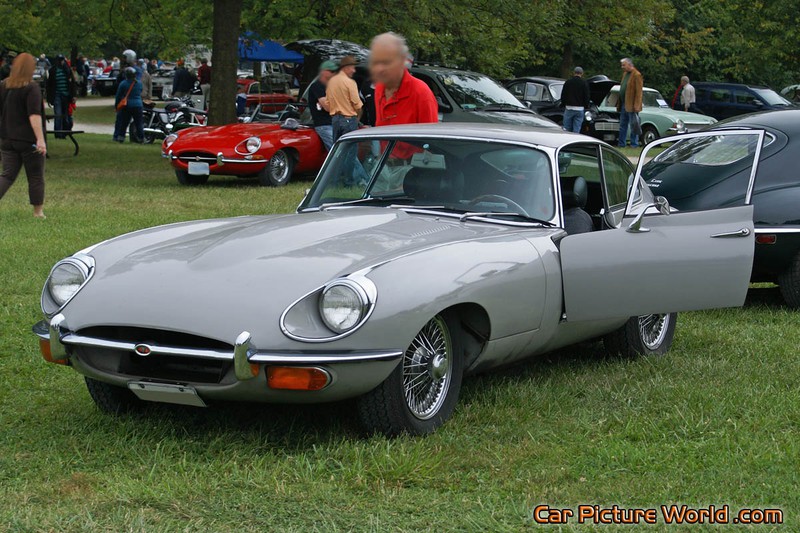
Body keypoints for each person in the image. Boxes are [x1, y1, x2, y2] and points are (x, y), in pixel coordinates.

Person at [0, 53, 47, 218]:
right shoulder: (31, 87)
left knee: (7, 175)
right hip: (28, 140)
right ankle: (38, 211)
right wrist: (40, 140)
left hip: (7, 138)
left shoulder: (4, 85)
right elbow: (34, 115)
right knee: (35, 175)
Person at [370, 32, 437, 127]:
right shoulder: (379, 89)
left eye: (386, 62)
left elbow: (431, 138)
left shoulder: (421, 93)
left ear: (402, 61)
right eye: (377, 62)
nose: (380, 69)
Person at [326, 55, 362, 143]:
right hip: (349, 119)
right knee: (350, 150)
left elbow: (327, 103)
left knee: (338, 150)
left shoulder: (331, 81)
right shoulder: (350, 82)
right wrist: (358, 117)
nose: (354, 71)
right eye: (352, 68)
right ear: (346, 68)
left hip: (335, 120)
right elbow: (356, 104)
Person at [307, 60, 337, 150]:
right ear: (324, 71)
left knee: (346, 152)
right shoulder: (317, 86)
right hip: (324, 124)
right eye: (332, 71)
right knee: (338, 152)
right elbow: (328, 107)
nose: (334, 74)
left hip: (336, 123)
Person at [46, 55, 75, 138]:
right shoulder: (53, 70)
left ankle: (64, 133)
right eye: (59, 60)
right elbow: (49, 85)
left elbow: (72, 83)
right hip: (57, 95)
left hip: (66, 95)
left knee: (65, 115)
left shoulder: (67, 70)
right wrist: (49, 98)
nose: (61, 62)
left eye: (62, 60)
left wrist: (73, 96)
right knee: (58, 114)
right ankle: (58, 133)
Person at [617, 57, 643, 148]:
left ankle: (634, 144)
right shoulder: (625, 74)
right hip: (624, 103)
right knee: (622, 125)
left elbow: (639, 92)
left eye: (624, 65)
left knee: (633, 125)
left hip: (632, 105)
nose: (622, 67)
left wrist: (636, 105)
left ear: (629, 64)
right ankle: (621, 143)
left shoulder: (636, 75)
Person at [113, 67, 143, 143]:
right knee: (138, 123)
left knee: (124, 122)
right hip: (138, 105)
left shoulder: (123, 83)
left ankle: (121, 137)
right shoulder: (139, 83)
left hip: (127, 105)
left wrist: (117, 106)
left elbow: (118, 96)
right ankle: (141, 138)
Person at [561, 66, 590, 133]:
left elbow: (563, 94)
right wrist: (586, 105)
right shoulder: (584, 83)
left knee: (566, 128)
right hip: (579, 108)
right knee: (577, 128)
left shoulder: (568, 82)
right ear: (582, 73)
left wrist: (563, 104)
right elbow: (586, 96)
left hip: (569, 107)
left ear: (574, 73)